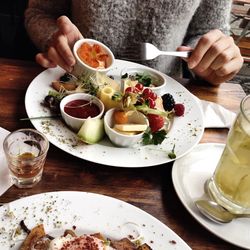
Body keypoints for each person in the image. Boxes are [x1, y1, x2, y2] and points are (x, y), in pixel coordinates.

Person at [25, 0, 243, 86]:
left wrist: (209, 58)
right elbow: (39, 13)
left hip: (161, 96)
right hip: (74, 86)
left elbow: (208, 30)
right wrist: (54, 38)